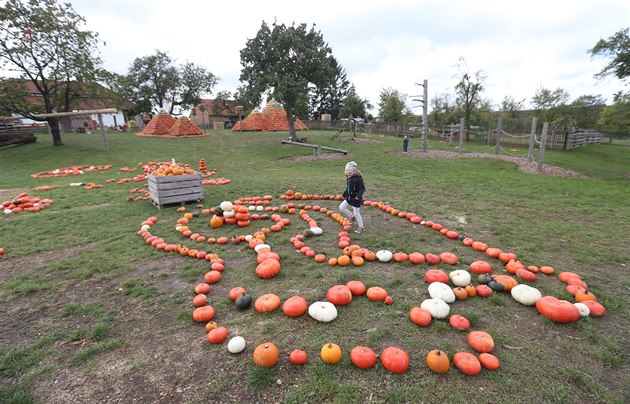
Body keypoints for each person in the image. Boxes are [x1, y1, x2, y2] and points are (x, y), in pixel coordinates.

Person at [340, 161, 365, 233]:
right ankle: (351, 217)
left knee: (356, 213)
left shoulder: (358, 178)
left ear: (354, 171)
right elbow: (348, 188)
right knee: (342, 207)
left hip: (356, 198)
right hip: (349, 197)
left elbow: (362, 188)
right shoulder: (349, 178)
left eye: (350, 171)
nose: (348, 173)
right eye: (347, 171)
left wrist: (358, 196)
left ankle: (361, 227)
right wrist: (344, 194)